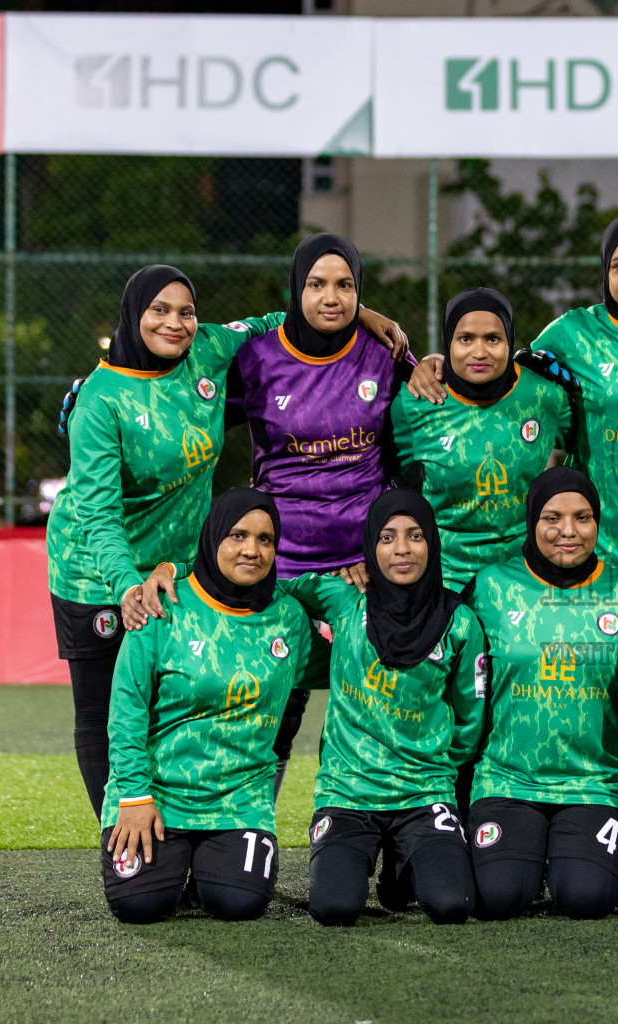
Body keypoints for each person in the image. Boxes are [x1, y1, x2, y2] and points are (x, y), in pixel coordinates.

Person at [47, 266, 286, 816]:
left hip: (174, 569)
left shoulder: (206, 348)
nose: (175, 324)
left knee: (169, 705)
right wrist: (126, 585)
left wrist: (372, 318)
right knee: (105, 709)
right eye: (159, 311)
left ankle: (182, 832)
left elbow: (277, 322)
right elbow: (97, 514)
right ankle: (120, 835)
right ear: (133, 315)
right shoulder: (100, 400)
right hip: (94, 570)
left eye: (185, 311)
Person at [406, 212, 618, 580]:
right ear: (605, 272)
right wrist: (437, 363)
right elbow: (502, 370)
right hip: (598, 545)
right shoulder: (573, 332)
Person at [213, 232, 413, 796]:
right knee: (271, 706)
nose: (332, 297)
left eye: (346, 285)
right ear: (295, 289)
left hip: (361, 569)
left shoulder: (385, 354)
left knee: (365, 704)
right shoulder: (257, 358)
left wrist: (383, 552)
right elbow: (193, 405)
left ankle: (347, 831)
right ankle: (245, 835)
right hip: (281, 566)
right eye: (317, 284)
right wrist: (107, 383)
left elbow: (412, 454)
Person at [99, 488, 319, 924]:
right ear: (213, 535)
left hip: (241, 800)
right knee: (139, 906)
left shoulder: (290, 619)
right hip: (158, 795)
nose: (251, 550)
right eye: (237, 535)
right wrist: (135, 797)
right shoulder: (161, 605)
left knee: (238, 905)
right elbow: (126, 712)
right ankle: (173, 859)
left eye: (265, 539)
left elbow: (350, 662)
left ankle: (209, 869)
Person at [279, 489, 484, 926]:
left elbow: (470, 718)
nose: (402, 549)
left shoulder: (459, 621)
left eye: (415, 536)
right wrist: (175, 570)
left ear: (432, 542)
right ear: (371, 546)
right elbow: (269, 584)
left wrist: (436, 765)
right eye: (387, 537)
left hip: (423, 792)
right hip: (349, 790)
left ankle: (401, 863)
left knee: (452, 905)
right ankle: (365, 856)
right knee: (334, 908)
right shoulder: (342, 600)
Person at [465, 468, 618, 920]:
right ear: (531, 522)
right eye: (552, 518)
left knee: (586, 899)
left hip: (594, 783)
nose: (568, 531)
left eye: (583, 518)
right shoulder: (491, 586)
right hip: (509, 778)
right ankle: (532, 852)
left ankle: (587, 852)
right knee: (500, 898)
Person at [390, 288, 572, 590]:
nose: (479, 351)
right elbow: (379, 477)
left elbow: (584, 449)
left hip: (525, 575)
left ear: (509, 340)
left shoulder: (544, 396)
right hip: (444, 577)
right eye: (465, 339)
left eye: (492, 339)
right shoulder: (416, 403)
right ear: (448, 341)